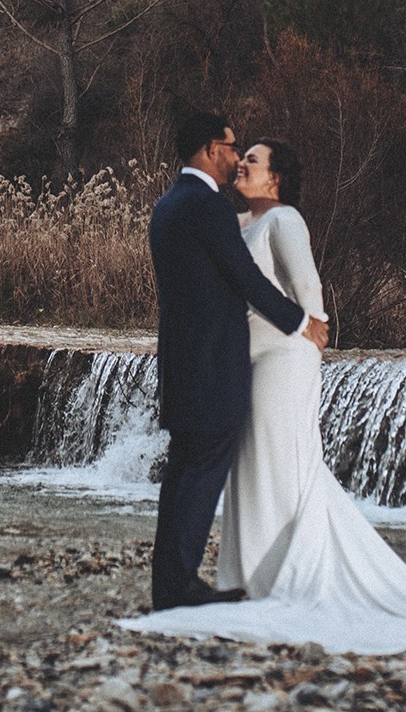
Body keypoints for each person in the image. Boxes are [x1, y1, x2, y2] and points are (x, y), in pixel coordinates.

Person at [124, 135, 406, 652]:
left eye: (252, 162)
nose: (241, 167)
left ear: (276, 178)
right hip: (245, 362)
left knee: (283, 464)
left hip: (283, 360)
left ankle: (291, 577)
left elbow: (308, 293)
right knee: (252, 468)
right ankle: (253, 578)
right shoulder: (236, 222)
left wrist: (312, 334)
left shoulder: (285, 221)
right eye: (240, 158)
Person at [145, 112, 332, 612]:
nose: (236, 157)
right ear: (211, 150)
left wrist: (307, 322)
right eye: (232, 149)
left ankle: (175, 581)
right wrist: (303, 322)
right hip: (216, 365)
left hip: (195, 363)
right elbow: (246, 279)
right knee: (200, 472)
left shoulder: (168, 204)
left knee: (187, 472)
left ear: (276, 177)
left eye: (248, 155)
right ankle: (181, 584)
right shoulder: (208, 207)